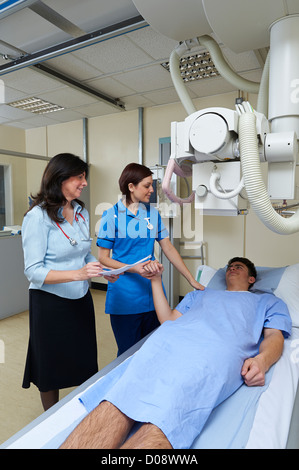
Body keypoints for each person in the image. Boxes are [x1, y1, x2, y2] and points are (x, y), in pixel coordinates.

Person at [60, 257, 292, 449]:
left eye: (238, 267)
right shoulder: (199, 294)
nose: (231, 268)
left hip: (212, 353)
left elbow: (274, 336)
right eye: (230, 266)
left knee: (168, 416)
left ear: (252, 278)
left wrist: (262, 361)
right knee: (118, 401)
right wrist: (156, 280)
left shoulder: (267, 302)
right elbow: (168, 319)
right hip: (168, 343)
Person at [21, 153, 117, 411]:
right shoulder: (38, 217)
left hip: (80, 298)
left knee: (83, 360)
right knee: (50, 367)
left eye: (85, 177)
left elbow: (82, 252)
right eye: (79, 177)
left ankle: (82, 412)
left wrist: (100, 271)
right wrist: (78, 274)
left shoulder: (80, 211)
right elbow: (34, 271)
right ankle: (50, 418)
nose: (84, 182)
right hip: (50, 303)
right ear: (60, 178)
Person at [97, 162, 203, 356]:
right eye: (146, 185)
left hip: (154, 296)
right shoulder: (110, 216)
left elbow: (168, 247)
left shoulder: (152, 214)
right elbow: (103, 258)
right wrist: (135, 268)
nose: (151, 190)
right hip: (125, 298)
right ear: (131, 187)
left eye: (151, 185)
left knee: (155, 349)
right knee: (128, 354)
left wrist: (190, 279)